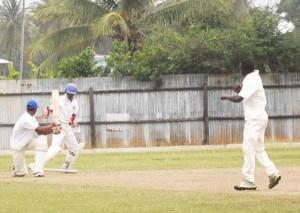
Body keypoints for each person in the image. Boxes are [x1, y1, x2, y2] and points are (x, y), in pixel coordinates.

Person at [220, 60, 281, 191]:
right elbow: (248, 96)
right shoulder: (253, 78)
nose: (239, 69)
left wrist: (226, 97)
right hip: (260, 117)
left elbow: (239, 99)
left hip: (254, 119)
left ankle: (249, 180)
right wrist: (240, 91)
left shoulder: (250, 78)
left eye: (240, 67)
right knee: (259, 149)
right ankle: (273, 173)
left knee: (248, 147)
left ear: (244, 69)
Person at [10, 99, 61, 177]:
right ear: (35, 109)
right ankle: (16, 167)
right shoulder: (25, 119)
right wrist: (53, 124)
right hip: (18, 146)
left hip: (27, 141)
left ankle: (38, 170)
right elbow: (41, 130)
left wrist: (54, 131)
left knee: (42, 139)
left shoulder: (31, 117)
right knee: (20, 174)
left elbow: (40, 132)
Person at [42, 83, 84, 170]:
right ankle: (37, 164)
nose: (71, 95)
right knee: (55, 148)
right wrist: (46, 113)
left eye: (73, 94)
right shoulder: (59, 100)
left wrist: (73, 123)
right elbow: (49, 110)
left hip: (67, 127)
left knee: (76, 148)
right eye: (70, 94)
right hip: (58, 126)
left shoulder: (75, 103)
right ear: (66, 92)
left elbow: (73, 117)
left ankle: (65, 167)